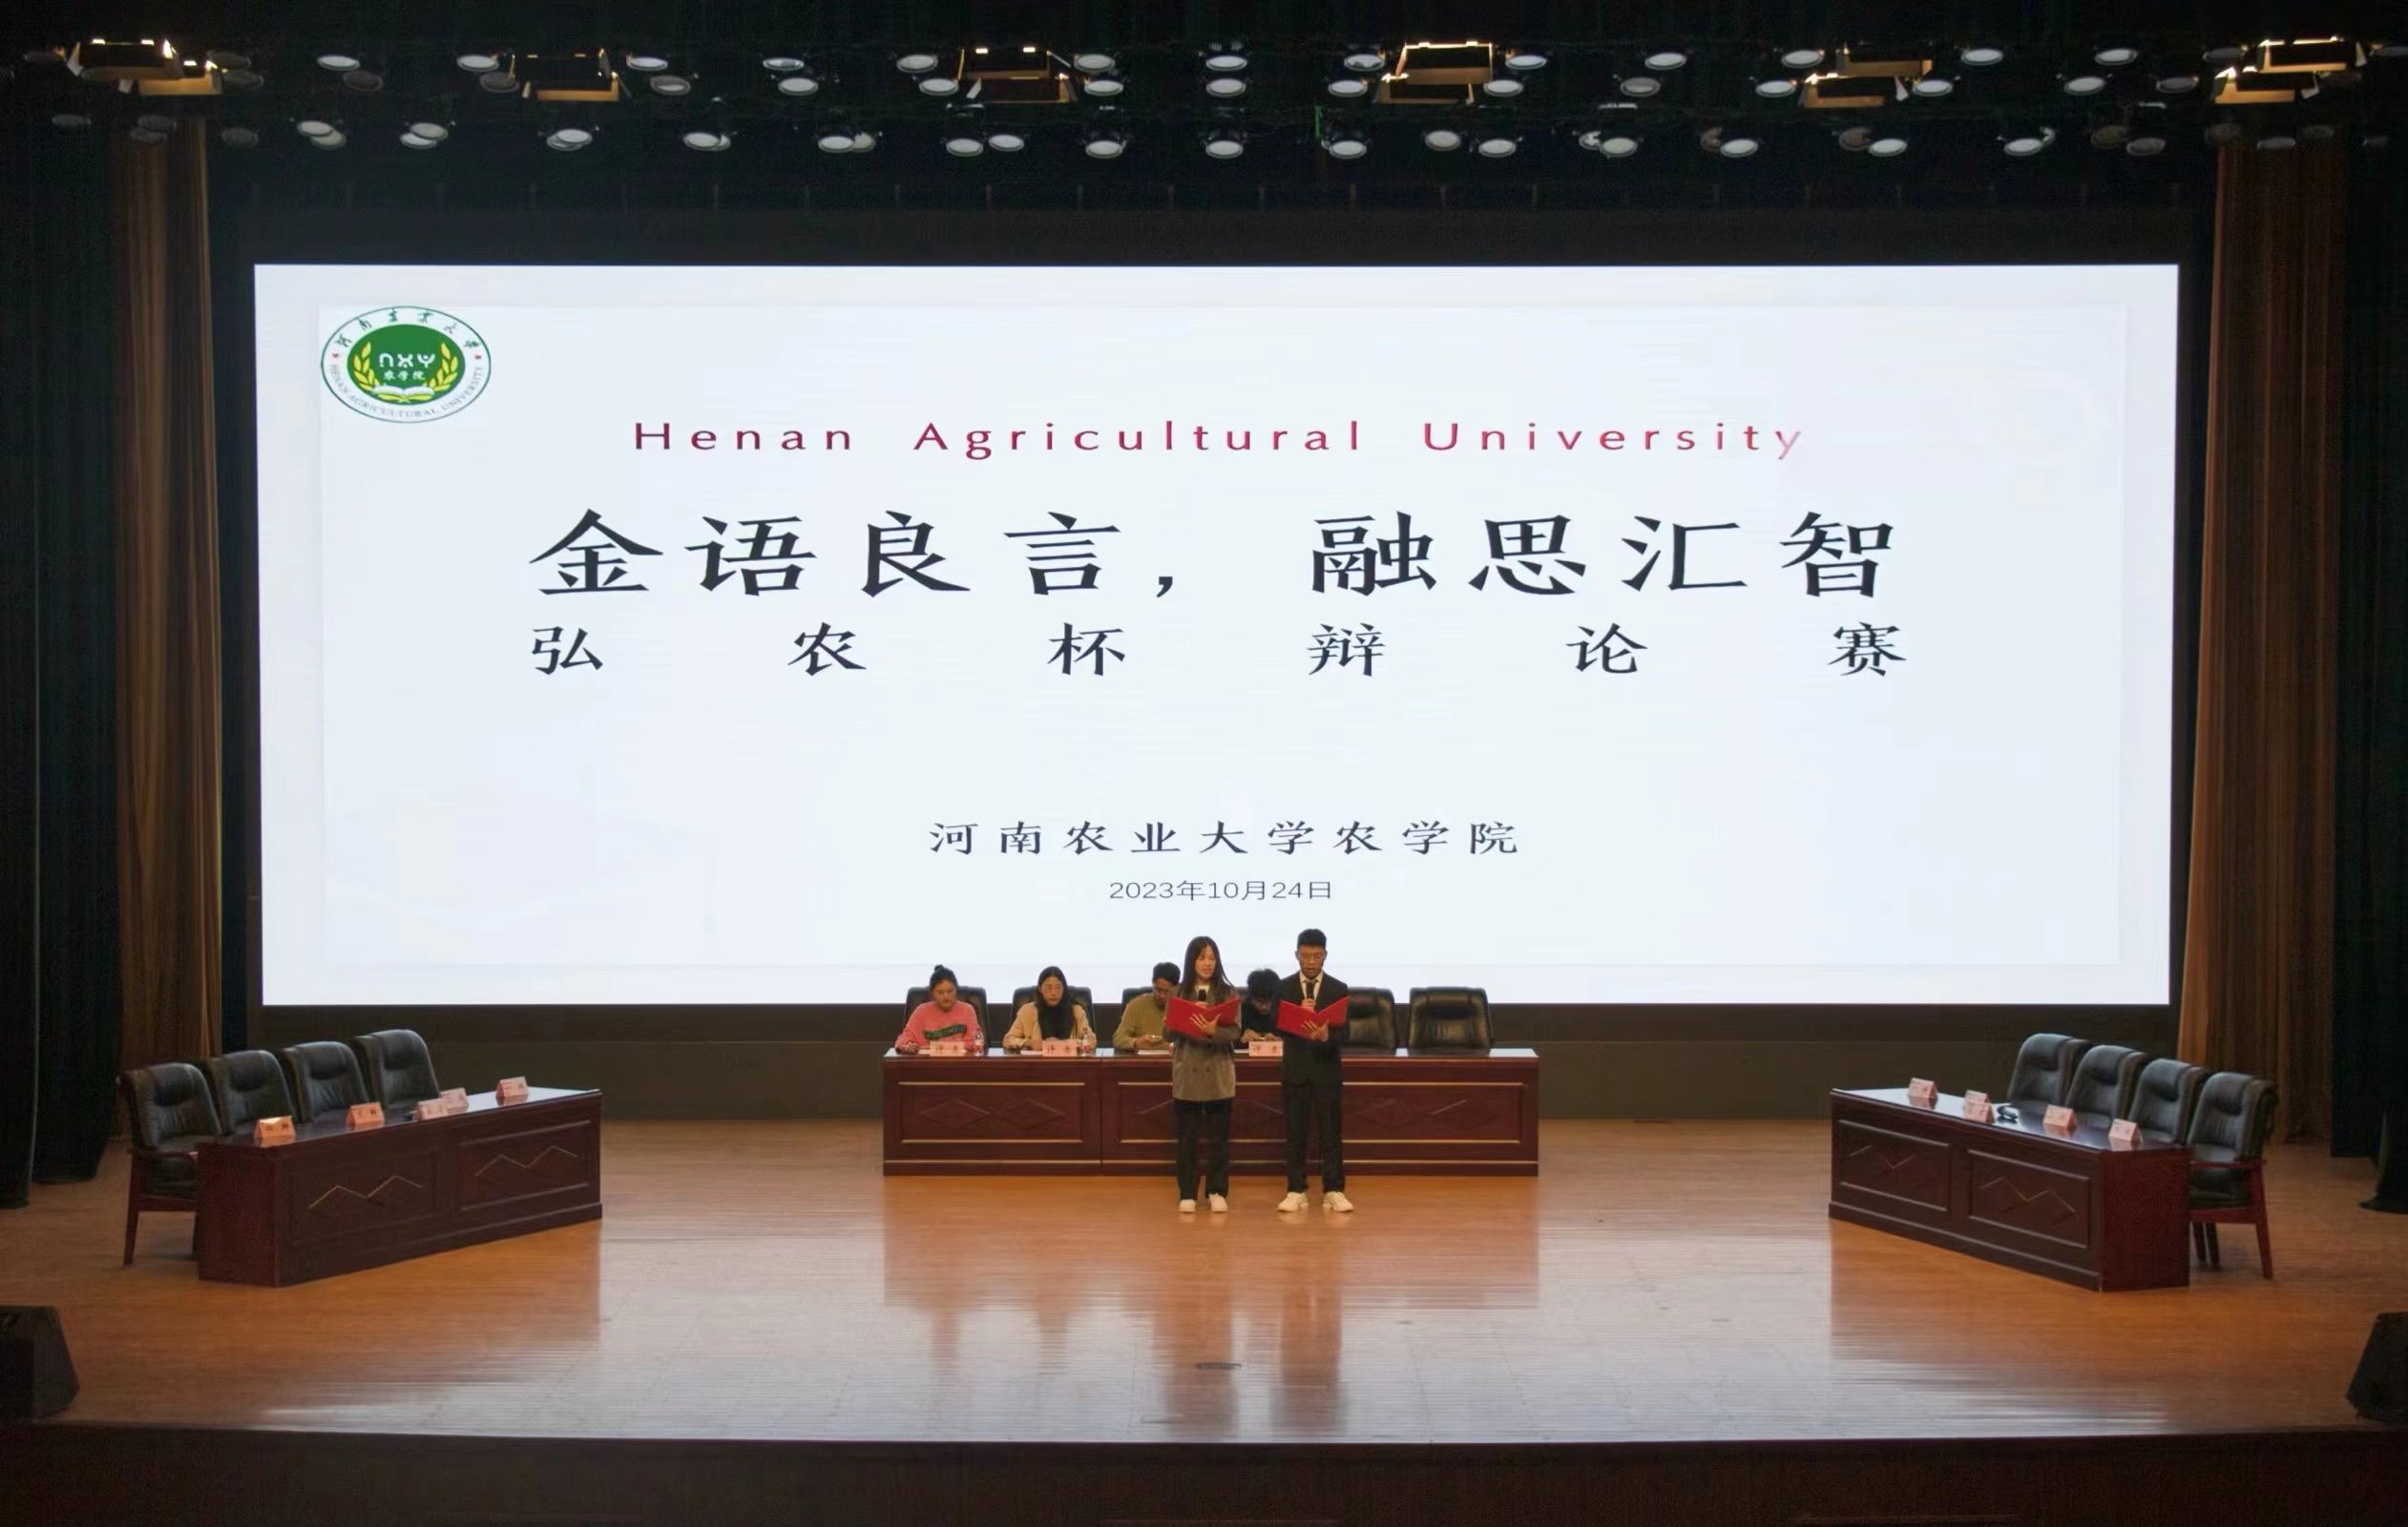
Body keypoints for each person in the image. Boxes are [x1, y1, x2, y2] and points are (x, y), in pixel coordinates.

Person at [1276, 928, 1352, 1213]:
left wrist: (1326, 1036)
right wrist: (1299, 1017)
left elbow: (1346, 1033)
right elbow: (1274, 1025)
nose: (1310, 962)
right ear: (1296, 955)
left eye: (1316, 956)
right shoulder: (1284, 988)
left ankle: (1333, 1189)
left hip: (1326, 1070)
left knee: (1331, 1133)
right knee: (1295, 1133)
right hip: (1295, 1070)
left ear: (1325, 956)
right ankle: (1296, 1190)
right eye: (1305, 956)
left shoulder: (1338, 988)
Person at [1169, 934, 1242, 1214]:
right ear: (1191, 961)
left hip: (1218, 1072)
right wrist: (1190, 1020)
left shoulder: (1228, 992)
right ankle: (1187, 1192)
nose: (1207, 963)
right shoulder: (1178, 992)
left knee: (1218, 1139)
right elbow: (1167, 1032)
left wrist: (1212, 1031)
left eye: (1212, 958)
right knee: (1187, 1139)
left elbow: (1234, 1032)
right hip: (1188, 1072)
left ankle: (1216, 1190)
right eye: (1201, 958)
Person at [893, 966, 984, 1054]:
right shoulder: (921, 1011)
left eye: (950, 991)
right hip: (928, 1062)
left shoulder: (967, 1010)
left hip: (960, 1062)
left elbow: (977, 1043)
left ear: (956, 990)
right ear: (932, 993)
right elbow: (903, 1039)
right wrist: (908, 1044)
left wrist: (942, 1047)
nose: (946, 996)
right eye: (940, 992)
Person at [1002, 966, 1095, 1051]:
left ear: (1064, 989)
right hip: (1037, 1062)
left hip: (1068, 1062)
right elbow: (1008, 1040)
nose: (1053, 993)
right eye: (1048, 987)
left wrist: (1064, 1044)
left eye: (1058, 987)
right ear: (1040, 989)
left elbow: (1091, 1040)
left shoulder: (1076, 1011)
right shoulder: (1027, 1011)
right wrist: (1030, 1043)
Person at [1112, 961, 1181, 1051]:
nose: (1162, 996)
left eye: (1167, 991)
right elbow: (1118, 1039)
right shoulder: (1137, 1005)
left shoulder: (1183, 1007)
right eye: (1158, 990)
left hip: (1175, 1058)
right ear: (1153, 982)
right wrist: (1136, 1042)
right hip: (1144, 1058)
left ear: (1177, 988)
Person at [1240, 968, 1282, 1041]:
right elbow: (1233, 1040)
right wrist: (1242, 1040)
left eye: (1268, 1002)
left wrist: (1281, 1041)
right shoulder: (1242, 1010)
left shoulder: (1285, 1010)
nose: (1264, 1007)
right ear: (1251, 997)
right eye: (1259, 1001)